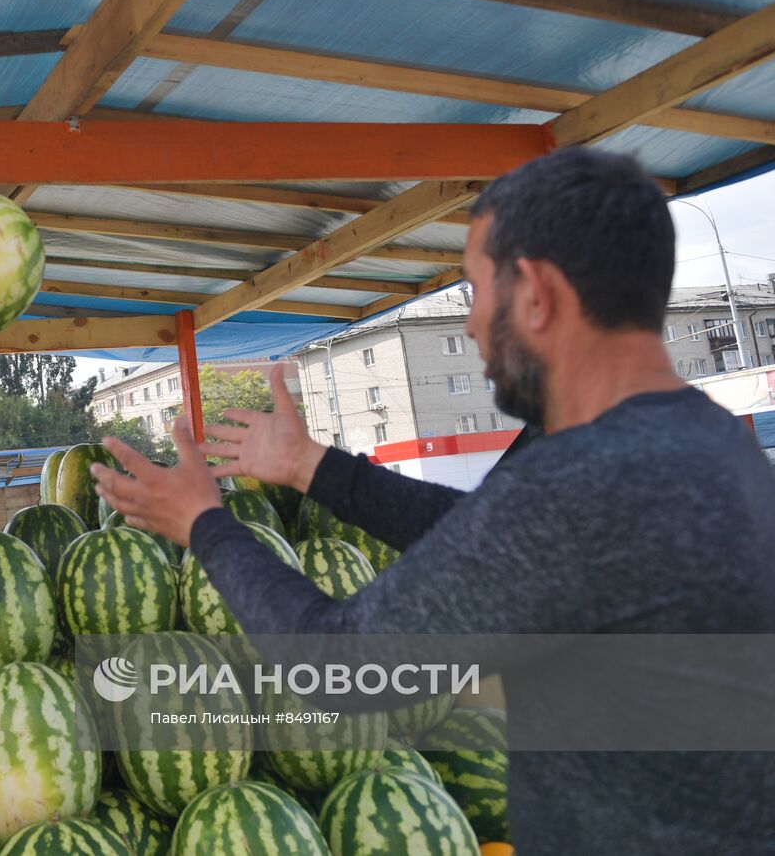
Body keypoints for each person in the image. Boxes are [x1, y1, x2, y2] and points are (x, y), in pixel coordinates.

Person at [91, 148, 775, 852]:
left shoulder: (585, 485)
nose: (473, 326)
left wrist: (205, 525)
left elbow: (341, 668)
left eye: (476, 291)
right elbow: (486, 545)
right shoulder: (708, 444)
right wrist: (315, 468)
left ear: (536, 294)